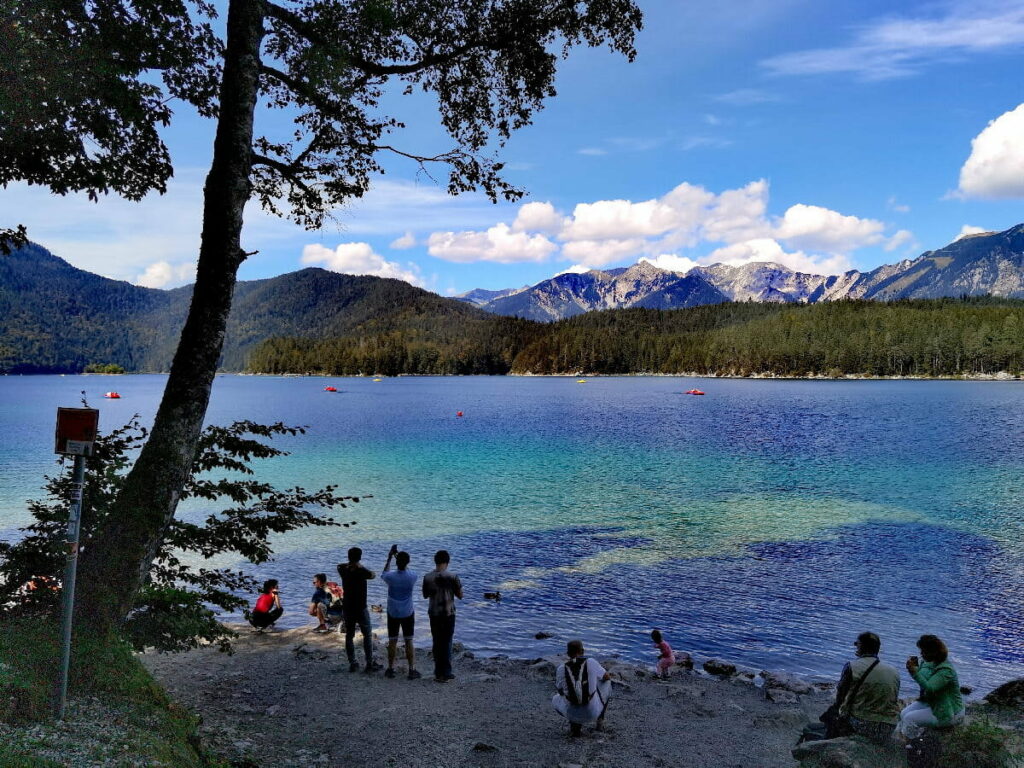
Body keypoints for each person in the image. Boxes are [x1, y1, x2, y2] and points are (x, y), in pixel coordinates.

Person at [833, 631, 902, 744]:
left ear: (862, 646)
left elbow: (840, 695)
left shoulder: (851, 666)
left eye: (857, 643)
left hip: (864, 725)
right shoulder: (893, 671)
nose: (855, 645)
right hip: (888, 728)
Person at [898, 634, 965, 739]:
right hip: (932, 703)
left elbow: (930, 687)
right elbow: (922, 678)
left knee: (909, 718)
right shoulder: (927, 662)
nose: (921, 654)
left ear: (933, 652)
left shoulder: (946, 670)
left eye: (924, 651)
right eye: (921, 651)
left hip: (948, 711)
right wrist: (915, 668)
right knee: (903, 713)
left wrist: (914, 672)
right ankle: (911, 738)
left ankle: (910, 745)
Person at [552, 639, 612, 737]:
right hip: (592, 713)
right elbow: (607, 677)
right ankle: (600, 723)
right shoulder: (591, 662)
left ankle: (575, 727)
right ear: (583, 651)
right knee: (607, 683)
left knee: (556, 698)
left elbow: (560, 691)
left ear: (567, 653)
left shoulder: (561, 669)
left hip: (571, 713)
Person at [380, 545, 421, 680]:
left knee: (393, 641)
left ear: (396, 563)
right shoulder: (413, 576)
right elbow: (406, 569)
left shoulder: (391, 577)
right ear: (408, 562)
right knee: (409, 640)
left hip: (393, 612)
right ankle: (411, 670)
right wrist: (398, 557)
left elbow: (383, 574)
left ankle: (390, 668)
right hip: (408, 612)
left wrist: (389, 558)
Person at [422, 549, 463, 683]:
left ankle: (437, 671)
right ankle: (446, 672)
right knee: (447, 641)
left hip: (433, 613)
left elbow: (425, 595)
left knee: (436, 641)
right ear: (447, 562)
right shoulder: (453, 576)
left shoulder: (427, 577)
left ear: (435, 561)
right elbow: (460, 595)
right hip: (448, 613)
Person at [337, 547, 380, 673]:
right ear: (360, 557)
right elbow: (373, 575)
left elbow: (339, 565)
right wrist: (359, 566)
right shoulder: (362, 571)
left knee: (349, 635)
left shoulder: (343, 569)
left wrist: (350, 564)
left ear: (348, 556)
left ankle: (353, 663)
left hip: (348, 607)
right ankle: (369, 663)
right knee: (367, 634)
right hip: (361, 606)